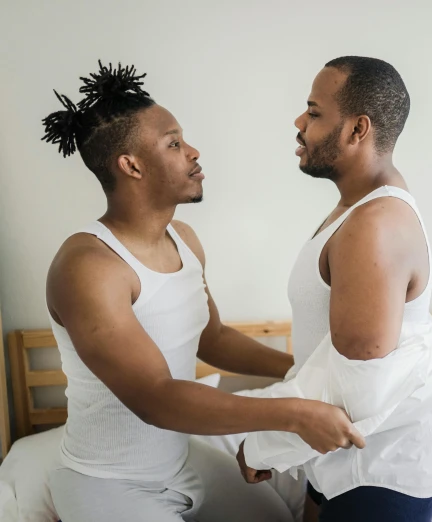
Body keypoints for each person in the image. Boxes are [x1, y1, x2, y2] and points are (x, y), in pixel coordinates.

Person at [41, 61, 365, 522]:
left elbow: (212, 337)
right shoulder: (88, 267)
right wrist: (294, 413)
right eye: (174, 143)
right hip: (108, 484)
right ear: (131, 165)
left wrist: (300, 372)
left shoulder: (185, 241)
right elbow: (157, 398)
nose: (193, 151)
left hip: (181, 464)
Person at [237, 56, 432, 522]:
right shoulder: (358, 208)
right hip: (341, 451)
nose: (299, 122)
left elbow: (357, 389)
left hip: (381, 467)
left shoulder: (375, 226)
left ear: (358, 129)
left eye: (314, 112)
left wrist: (262, 445)